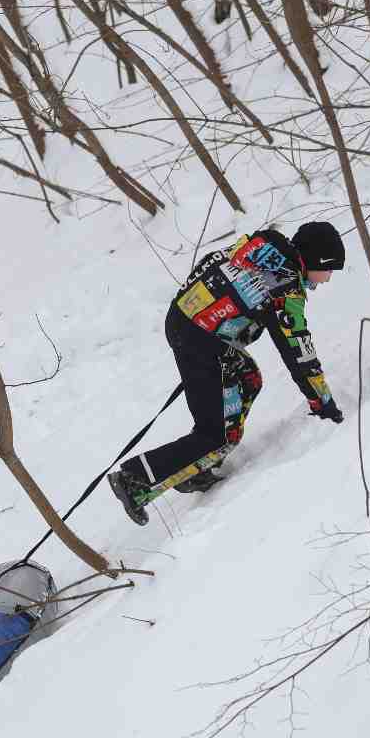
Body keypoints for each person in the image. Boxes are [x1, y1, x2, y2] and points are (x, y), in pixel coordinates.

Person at [107, 221, 346, 526]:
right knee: (218, 435)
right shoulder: (285, 290)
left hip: (190, 324)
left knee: (248, 377)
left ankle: (197, 466)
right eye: (329, 270)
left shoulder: (262, 244)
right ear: (316, 260)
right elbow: (299, 355)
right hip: (201, 340)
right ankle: (134, 477)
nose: (327, 280)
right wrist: (324, 404)